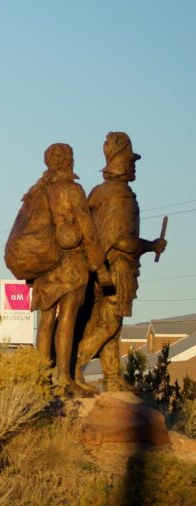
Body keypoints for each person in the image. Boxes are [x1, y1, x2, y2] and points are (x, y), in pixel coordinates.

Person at [74, 132, 166, 392]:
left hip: (100, 267)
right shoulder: (120, 196)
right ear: (123, 165)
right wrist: (151, 246)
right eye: (132, 163)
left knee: (112, 323)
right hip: (116, 267)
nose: (135, 167)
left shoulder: (99, 193)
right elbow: (122, 241)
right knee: (110, 323)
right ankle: (76, 364)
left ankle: (112, 378)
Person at [26, 144, 106, 393]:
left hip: (44, 262)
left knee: (46, 319)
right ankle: (63, 376)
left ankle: (40, 376)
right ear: (69, 161)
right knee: (68, 317)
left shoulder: (37, 191)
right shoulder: (73, 191)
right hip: (71, 262)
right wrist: (99, 266)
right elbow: (88, 229)